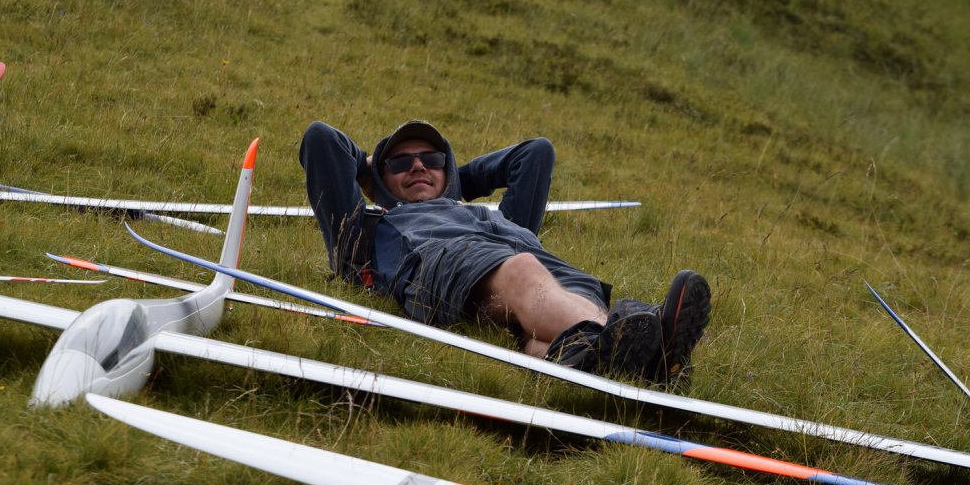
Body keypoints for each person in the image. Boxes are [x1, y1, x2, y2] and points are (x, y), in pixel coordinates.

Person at [299, 119, 711, 391]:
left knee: (547, 319)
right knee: (522, 271)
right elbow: (321, 139)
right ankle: (639, 344)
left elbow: (534, 153)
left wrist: (456, 184)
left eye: (432, 160)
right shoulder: (365, 231)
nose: (418, 166)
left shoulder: (501, 220)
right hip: (444, 263)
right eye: (401, 162)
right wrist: (368, 168)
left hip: (537, 266)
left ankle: (621, 358)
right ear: (379, 177)